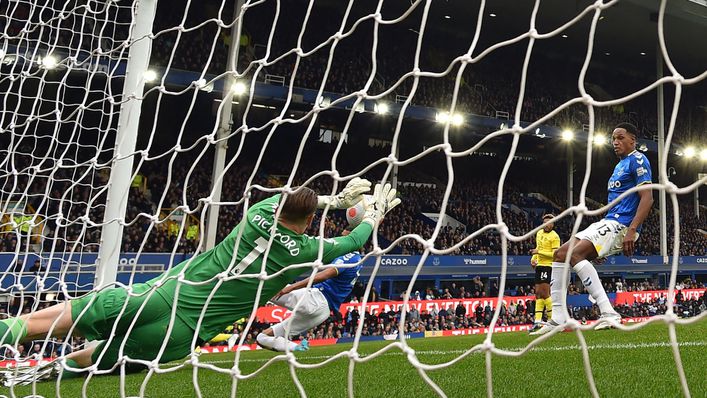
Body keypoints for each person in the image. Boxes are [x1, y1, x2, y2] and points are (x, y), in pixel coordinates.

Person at [0, 179, 401, 385]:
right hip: (182, 332)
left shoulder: (257, 213)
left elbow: (283, 199)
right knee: (94, 361)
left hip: (160, 294)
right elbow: (351, 242)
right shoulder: (302, 249)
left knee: (37, 324)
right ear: (310, 222)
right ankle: (40, 374)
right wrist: (373, 216)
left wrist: (335, 200)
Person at [533, 123, 653, 335]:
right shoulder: (620, 165)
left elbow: (648, 198)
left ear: (633, 140)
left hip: (621, 224)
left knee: (576, 254)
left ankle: (609, 313)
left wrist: (632, 229)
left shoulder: (638, 159)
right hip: (608, 221)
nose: (615, 142)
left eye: (620, 137)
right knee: (560, 254)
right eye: (613, 138)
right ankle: (559, 318)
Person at [255, 227, 364, 352]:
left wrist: (291, 287)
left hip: (316, 300)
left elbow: (324, 275)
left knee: (264, 286)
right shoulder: (358, 260)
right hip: (322, 313)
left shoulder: (349, 255)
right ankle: (296, 347)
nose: (342, 239)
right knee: (262, 337)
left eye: (345, 237)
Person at [528, 214, 561, 334]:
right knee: (537, 294)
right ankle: (537, 321)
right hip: (540, 265)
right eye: (544, 223)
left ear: (553, 224)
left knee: (545, 293)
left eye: (548, 223)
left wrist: (539, 252)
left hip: (548, 266)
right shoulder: (539, 233)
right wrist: (533, 258)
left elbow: (554, 254)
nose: (546, 225)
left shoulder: (555, 236)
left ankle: (553, 321)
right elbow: (538, 247)